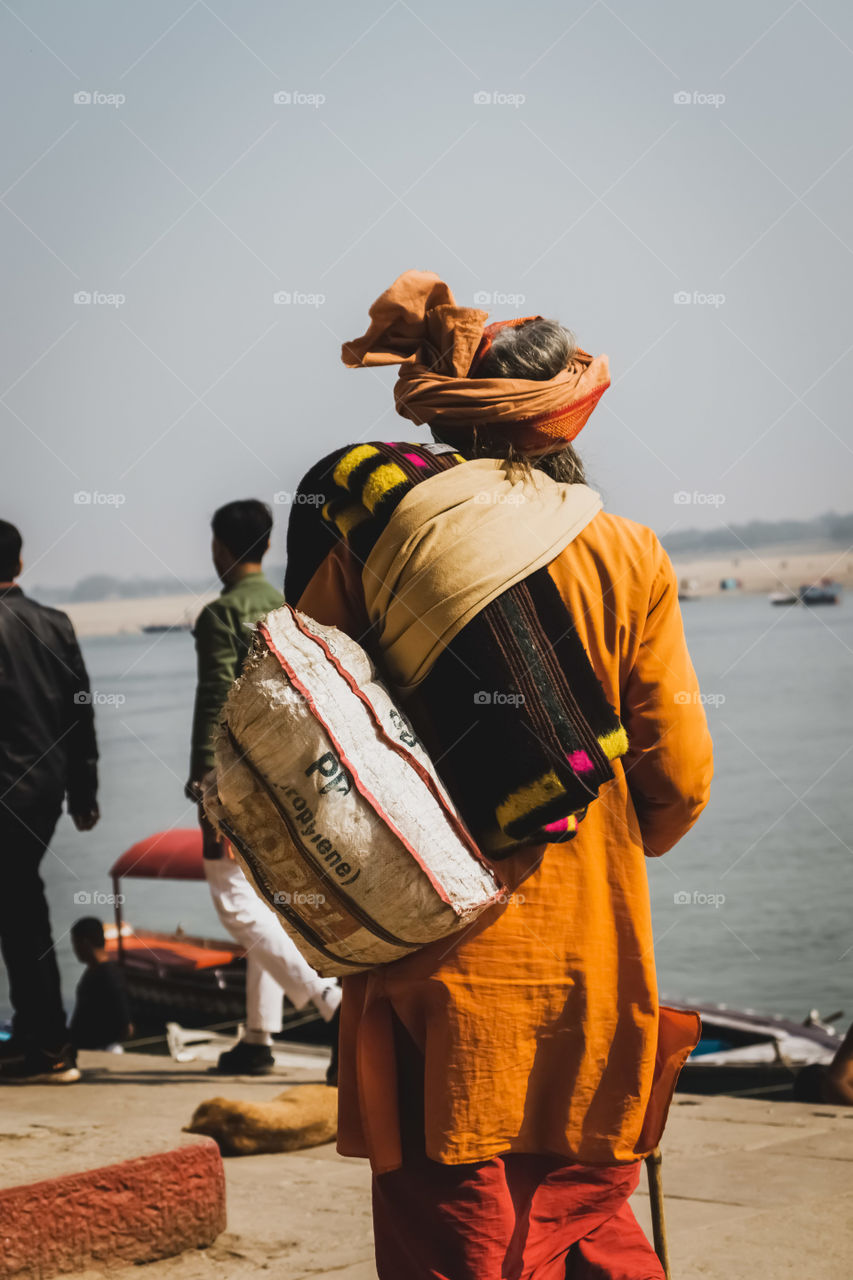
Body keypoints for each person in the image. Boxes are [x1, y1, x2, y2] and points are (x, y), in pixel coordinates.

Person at [289, 271, 715, 1279]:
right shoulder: (627, 550)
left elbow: (304, 722)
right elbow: (682, 774)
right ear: (568, 412)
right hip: (587, 955)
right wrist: (613, 839)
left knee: (458, 1226)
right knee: (582, 1215)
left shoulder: (378, 541)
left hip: (425, 948)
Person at [187, 499, 341, 1077]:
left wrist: (204, 772)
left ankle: (333, 1004)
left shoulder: (218, 615)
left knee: (233, 903)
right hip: (290, 775)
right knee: (267, 899)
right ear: (268, 547)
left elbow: (213, 700)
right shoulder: (287, 609)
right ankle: (257, 1037)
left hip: (232, 779)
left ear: (220, 550)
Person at [0, 519, 99, 1084]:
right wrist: (84, 793)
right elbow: (80, 713)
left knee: (21, 914)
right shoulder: (55, 625)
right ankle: (47, 1043)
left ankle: (47, 1045)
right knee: (23, 909)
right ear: (17, 564)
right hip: (40, 796)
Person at [69, 917, 132, 1051]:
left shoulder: (108, 976)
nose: (74, 949)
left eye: (75, 943)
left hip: (100, 1049)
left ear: (85, 943)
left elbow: (125, 1025)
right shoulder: (95, 970)